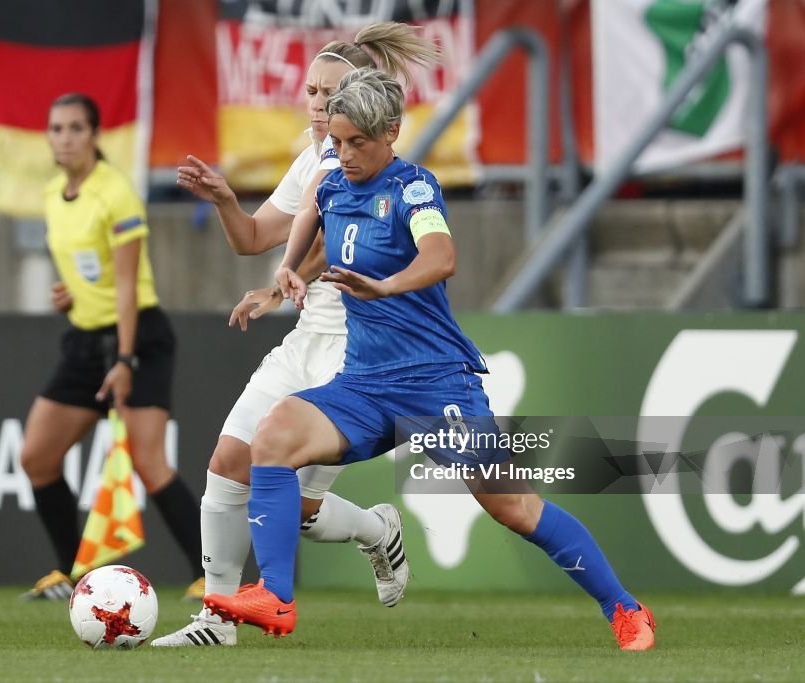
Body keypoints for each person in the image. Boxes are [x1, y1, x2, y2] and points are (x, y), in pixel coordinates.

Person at [203, 68, 657, 652]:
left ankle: (624, 608)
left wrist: (384, 288)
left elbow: (441, 257)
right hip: (364, 383)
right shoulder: (334, 180)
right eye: (337, 143)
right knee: (273, 437)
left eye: (357, 143)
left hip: (435, 382)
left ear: (391, 132)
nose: (344, 155)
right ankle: (277, 596)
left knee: (513, 507)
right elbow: (315, 214)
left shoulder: (414, 189)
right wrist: (284, 273)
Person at [150, 24, 440, 647]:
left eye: (329, 93)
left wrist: (281, 285)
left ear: (360, 100)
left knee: (297, 510)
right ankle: (218, 618)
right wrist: (229, 201)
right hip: (306, 338)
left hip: (357, 350)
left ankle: (375, 531)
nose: (315, 104)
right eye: (310, 90)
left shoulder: (372, 166)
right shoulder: (311, 159)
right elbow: (255, 239)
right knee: (226, 466)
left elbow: (335, 246)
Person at [20, 93, 203, 601]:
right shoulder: (54, 194)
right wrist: (69, 294)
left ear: (95, 135)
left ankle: (210, 576)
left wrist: (124, 360)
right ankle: (69, 574)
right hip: (83, 338)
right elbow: (91, 274)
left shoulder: (116, 193)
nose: (65, 138)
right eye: (56, 128)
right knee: (36, 455)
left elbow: (127, 286)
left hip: (137, 336)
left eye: (76, 128)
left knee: (149, 462)